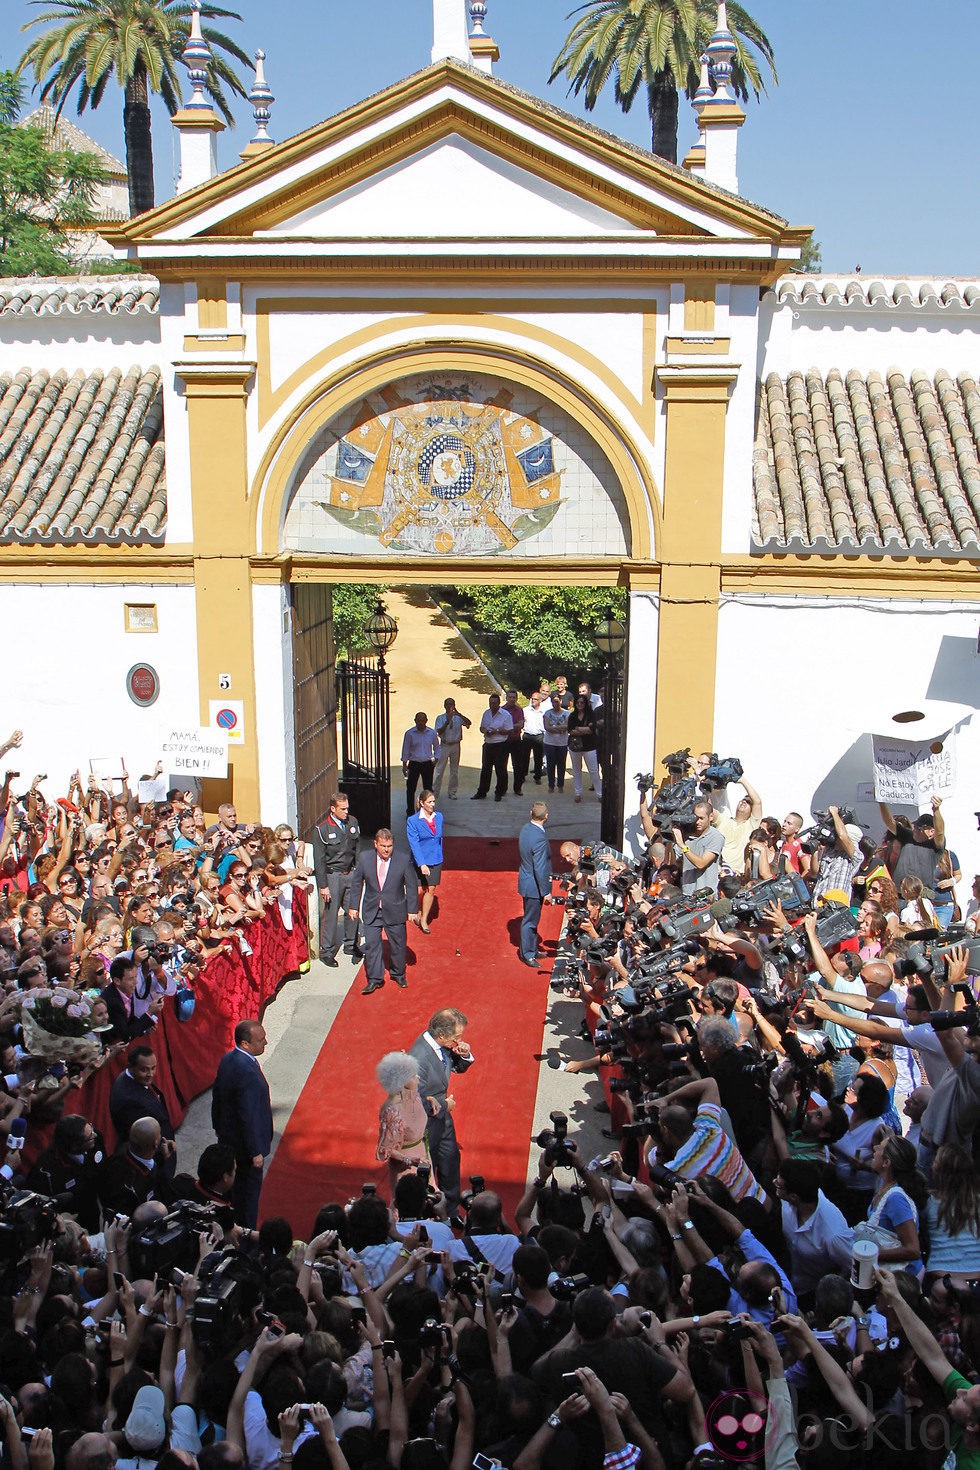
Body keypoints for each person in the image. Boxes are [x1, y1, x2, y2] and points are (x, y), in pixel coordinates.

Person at [408, 1006, 474, 1212]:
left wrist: (465, 1055)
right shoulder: (419, 1058)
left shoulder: (439, 1044)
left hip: (442, 1119)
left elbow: (454, 1065)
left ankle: (451, 1209)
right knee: (428, 1168)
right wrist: (445, 1105)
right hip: (425, 1125)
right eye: (456, 1037)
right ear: (442, 1034)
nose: (458, 1041)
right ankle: (429, 1211)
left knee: (450, 1160)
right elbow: (414, 1101)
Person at [211, 1018, 274, 1227]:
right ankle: (247, 1237)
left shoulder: (228, 1059)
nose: (265, 1043)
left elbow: (218, 1099)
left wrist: (218, 1128)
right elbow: (247, 1114)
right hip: (245, 1149)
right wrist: (255, 1151)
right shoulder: (246, 1071)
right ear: (245, 1044)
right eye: (261, 1040)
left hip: (229, 1140)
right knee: (248, 1196)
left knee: (234, 1192)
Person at [347, 828, 419, 994]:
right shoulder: (365, 858)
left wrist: (412, 909)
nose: (387, 849)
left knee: (398, 945)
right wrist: (353, 906)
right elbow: (357, 883)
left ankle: (398, 973)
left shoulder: (402, 859)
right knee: (372, 945)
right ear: (375, 844)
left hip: (395, 909)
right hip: (372, 909)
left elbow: (411, 885)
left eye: (390, 846)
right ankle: (374, 979)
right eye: (383, 846)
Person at [311, 792, 361, 967]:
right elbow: (319, 860)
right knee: (331, 915)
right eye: (342, 809)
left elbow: (357, 849)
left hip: (350, 873)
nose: (346, 811)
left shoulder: (352, 822)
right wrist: (323, 885)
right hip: (333, 876)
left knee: (352, 910)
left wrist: (359, 873)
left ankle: (350, 944)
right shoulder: (322, 829)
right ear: (333, 809)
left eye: (347, 808)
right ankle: (327, 951)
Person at [374, 1051, 429, 1195]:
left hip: (423, 1157)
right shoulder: (392, 1111)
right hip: (406, 1168)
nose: (417, 1078)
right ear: (401, 1081)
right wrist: (409, 1160)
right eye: (412, 1075)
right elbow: (386, 1149)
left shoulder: (412, 1094)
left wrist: (431, 1100)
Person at [108, 1042, 176, 1158]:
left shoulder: (132, 1078)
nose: (150, 1074)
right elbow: (143, 1140)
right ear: (130, 1067)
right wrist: (162, 1153)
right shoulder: (129, 1101)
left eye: (153, 1068)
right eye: (144, 1070)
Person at [518, 801, 552, 968]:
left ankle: (531, 948)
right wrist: (546, 891)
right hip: (534, 886)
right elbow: (540, 867)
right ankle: (527, 954)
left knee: (531, 919)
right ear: (546, 816)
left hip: (526, 880)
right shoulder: (539, 837)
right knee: (530, 921)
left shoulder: (526, 829)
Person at [406, 789, 443, 934]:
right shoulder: (413, 821)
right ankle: (417, 908)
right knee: (419, 890)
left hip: (435, 859)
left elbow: (439, 839)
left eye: (433, 801)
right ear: (421, 803)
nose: (432, 805)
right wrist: (421, 864)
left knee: (431, 889)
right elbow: (414, 843)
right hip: (419, 860)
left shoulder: (439, 817)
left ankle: (424, 919)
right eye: (429, 802)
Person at [673, 801, 725, 897]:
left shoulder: (716, 837)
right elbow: (671, 862)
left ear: (711, 817)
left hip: (705, 895)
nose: (698, 822)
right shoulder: (687, 835)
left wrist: (682, 845)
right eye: (695, 818)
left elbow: (701, 864)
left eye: (701, 818)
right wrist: (670, 839)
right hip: (687, 893)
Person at [471, 693, 512, 802]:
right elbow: (482, 727)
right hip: (488, 744)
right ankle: (482, 792)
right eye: (490, 703)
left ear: (499, 703)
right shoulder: (486, 713)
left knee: (500, 769)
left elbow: (509, 730)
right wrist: (486, 731)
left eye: (494, 703)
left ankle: (499, 792)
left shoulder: (505, 715)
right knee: (485, 769)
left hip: (500, 745)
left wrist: (497, 731)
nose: (492, 705)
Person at [400, 712, 439, 816]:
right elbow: (406, 749)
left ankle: (428, 810)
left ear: (426, 721)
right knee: (411, 788)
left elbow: (436, 747)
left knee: (428, 789)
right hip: (414, 763)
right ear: (415, 721)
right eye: (418, 721)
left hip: (427, 764)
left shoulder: (431, 733)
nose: (420, 723)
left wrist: (436, 759)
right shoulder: (410, 733)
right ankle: (410, 811)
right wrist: (404, 764)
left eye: (422, 720)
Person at [432, 697, 471, 800]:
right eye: (448, 704)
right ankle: (435, 793)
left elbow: (468, 723)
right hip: (444, 745)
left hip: (456, 745)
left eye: (452, 704)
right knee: (439, 770)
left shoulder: (458, 717)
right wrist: (447, 722)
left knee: (454, 770)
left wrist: (459, 714)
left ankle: (452, 792)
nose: (450, 706)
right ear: (444, 706)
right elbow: (438, 732)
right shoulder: (440, 718)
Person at [567, 691, 601, 803]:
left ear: (586, 703)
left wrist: (579, 729)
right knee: (576, 770)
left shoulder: (591, 715)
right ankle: (578, 793)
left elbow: (591, 730)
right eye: (578, 702)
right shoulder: (572, 715)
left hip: (590, 746)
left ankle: (599, 793)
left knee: (593, 770)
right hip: (575, 746)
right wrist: (584, 730)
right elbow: (570, 730)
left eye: (582, 702)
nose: (580, 704)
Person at [542, 689, 569, 793]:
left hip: (562, 743)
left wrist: (554, 727)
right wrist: (559, 728)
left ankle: (560, 785)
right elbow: (547, 727)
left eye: (557, 701)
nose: (555, 704)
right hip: (550, 743)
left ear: (561, 701)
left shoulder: (567, 713)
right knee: (550, 764)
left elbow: (566, 727)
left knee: (561, 764)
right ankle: (551, 785)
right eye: (553, 702)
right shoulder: (547, 713)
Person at [521, 690, 546, 787]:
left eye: (535, 699)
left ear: (540, 700)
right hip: (527, 735)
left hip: (539, 736)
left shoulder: (543, 712)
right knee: (524, 757)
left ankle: (537, 776)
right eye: (532, 698)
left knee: (538, 758)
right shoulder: (525, 710)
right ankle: (523, 775)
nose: (533, 700)